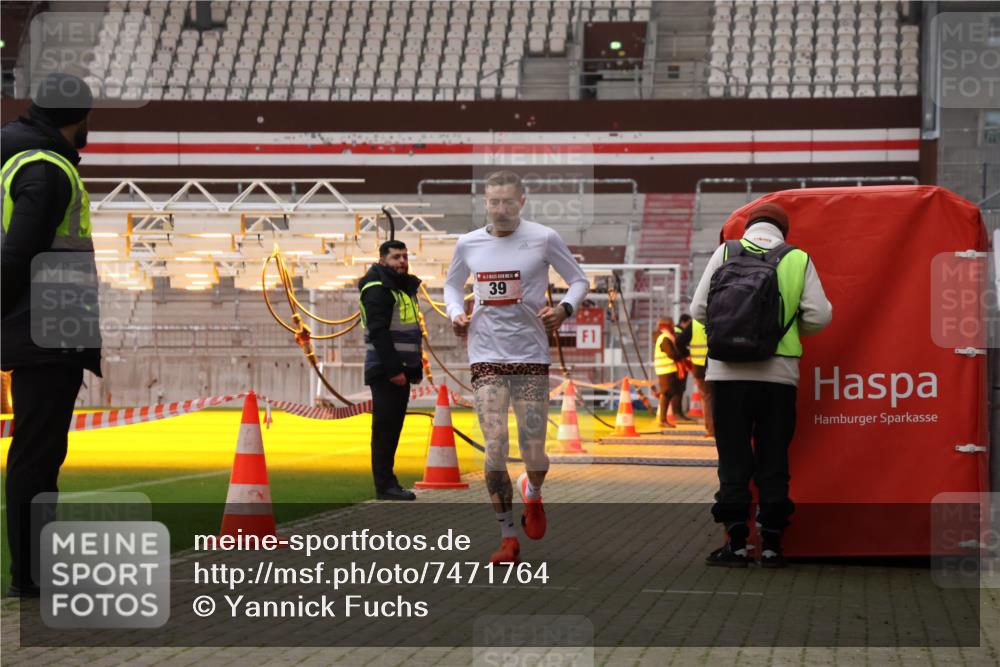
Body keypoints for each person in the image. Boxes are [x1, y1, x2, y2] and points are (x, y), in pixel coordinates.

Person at [444, 170, 588, 564]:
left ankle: (533, 492)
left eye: (508, 201)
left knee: (534, 451)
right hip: (486, 355)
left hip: (529, 356)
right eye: (494, 202)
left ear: (521, 202)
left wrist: (563, 309)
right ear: (485, 203)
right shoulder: (468, 243)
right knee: (494, 446)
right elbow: (452, 285)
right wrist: (457, 313)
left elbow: (579, 280)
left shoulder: (542, 237)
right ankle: (508, 536)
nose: (501, 209)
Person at [1, 73, 100, 597]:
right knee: (37, 456)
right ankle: (33, 576)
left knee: (33, 453)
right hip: (47, 327)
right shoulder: (47, 165)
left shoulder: (10, 150)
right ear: (79, 118)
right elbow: (20, 252)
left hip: (30, 324)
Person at [691, 201, 832, 568]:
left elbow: (697, 309)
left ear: (749, 227)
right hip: (778, 376)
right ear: (783, 230)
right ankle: (771, 545)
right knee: (773, 458)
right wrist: (785, 327)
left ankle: (735, 543)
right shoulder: (796, 258)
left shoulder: (726, 251)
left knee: (733, 459)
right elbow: (820, 315)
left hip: (727, 375)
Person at [358, 240, 423, 501]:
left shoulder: (399, 288)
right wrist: (395, 369)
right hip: (387, 370)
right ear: (383, 260)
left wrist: (413, 368)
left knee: (393, 427)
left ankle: (388, 482)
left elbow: (409, 330)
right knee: (385, 428)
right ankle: (385, 485)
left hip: (400, 370)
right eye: (396, 257)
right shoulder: (378, 289)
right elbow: (379, 332)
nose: (402, 262)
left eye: (405, 256)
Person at [653, 317, 687, 428]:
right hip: (666, 371)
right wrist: (684, 355)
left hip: (667, 370)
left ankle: (663, 420)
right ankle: (662, 420)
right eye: (671, 323)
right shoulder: (665, 338)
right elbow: (672, 354)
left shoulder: (664, 337)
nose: (673, 325)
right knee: (666, 394)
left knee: (668, 394)